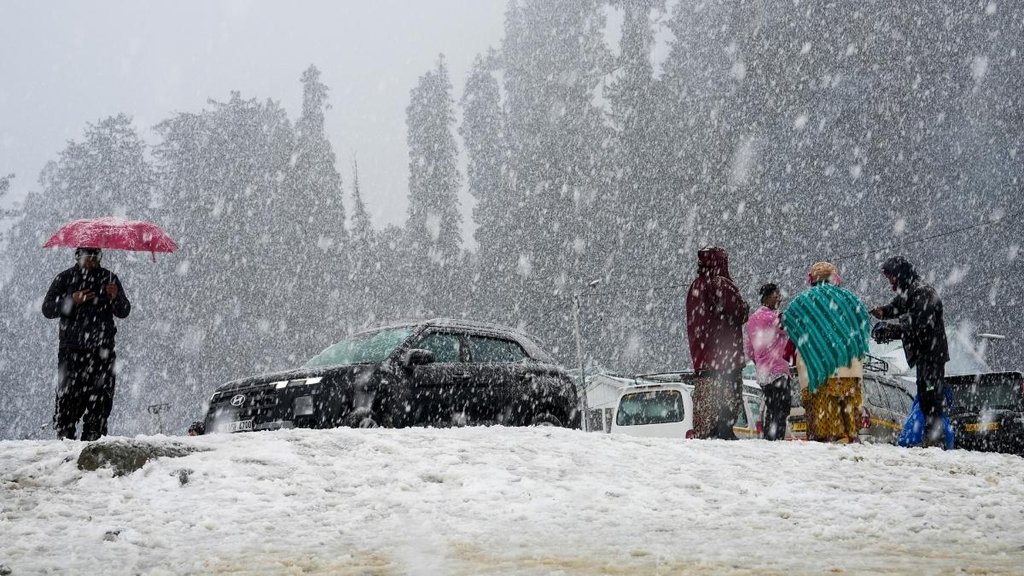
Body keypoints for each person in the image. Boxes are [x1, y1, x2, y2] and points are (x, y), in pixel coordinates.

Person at [41, 247, 130, 440]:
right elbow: (47, 309)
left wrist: (115, 297)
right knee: (67, 406)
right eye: (86, 257)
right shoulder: (65, 278)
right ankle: (65, 448)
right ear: (77, 257)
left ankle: (93, 446)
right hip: (71, 352)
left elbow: (124, 310)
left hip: (102, 352)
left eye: (95, 257)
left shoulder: (109, 279)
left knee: (100, 404)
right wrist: (71, 301)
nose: (91, 261)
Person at [782, 262, 870, 443]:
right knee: (849, 426)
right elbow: (863, 322)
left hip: (815, 371)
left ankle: (827, 456)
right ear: (834, 277)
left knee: (822, 429)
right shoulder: (849, 299)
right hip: (848, 369)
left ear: (812, 279)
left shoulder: (801, 303)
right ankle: (848, 451)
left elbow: (787, 321)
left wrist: (814, 344)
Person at [870, 256, 949, 448]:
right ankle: (932, 437)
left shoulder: (922, 292)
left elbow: (918, 323)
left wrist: (892, 329)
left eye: (892, 279)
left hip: (932, 355)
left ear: (901, 275)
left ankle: (935, 438)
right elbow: (897, 307)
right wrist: (883, 312)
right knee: (925, 396)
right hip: (925, 354)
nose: (891, 284)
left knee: (931, 398)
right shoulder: (910, 292)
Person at [686, 246, 750, 439]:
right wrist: (744, 307)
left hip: (703, 358)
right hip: (725, 356)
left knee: (707, 401)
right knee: (728, 398)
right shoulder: (721, 284)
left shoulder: (695, 286)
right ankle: (724, 431)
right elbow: (738, 312)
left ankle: (710, 431)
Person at [744, 283, 796, 440]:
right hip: (778, 369)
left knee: (771, 407)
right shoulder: (772, 317)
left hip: (763, 373)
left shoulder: (751, 320)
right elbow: (788, 328)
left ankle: (769, 438)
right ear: (766, 297)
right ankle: (776, 439)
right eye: (776, 295)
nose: (779, 299)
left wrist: (760, 360)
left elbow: (748, 348)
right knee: (782, 408)